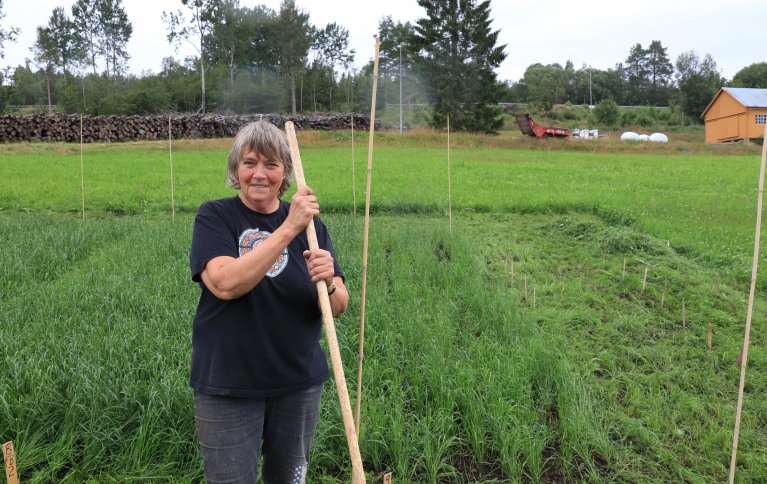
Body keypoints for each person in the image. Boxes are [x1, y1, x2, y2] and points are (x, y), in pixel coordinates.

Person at [189, 120, 349, 483]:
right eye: (249, 163)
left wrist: (330, 283)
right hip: (229, 385)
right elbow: (226, 284)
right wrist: (288, 228)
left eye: (271, 164)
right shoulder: (216, 216)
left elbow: (338, 305)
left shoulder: (311, 227)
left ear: (285, 172)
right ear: (236, 169)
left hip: (298, 383)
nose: (259, 174)